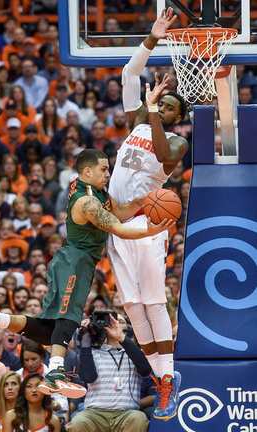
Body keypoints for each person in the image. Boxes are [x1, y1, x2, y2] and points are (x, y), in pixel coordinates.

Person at [0, 149, 174, 399]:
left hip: (69, 261)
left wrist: (141, 203)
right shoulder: (87, 202)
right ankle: (55, 373)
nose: (108, 173)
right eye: (104, 169)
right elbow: (117, 228)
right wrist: (151, 230)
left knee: (47, 330)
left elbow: (118, 211)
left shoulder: (96, 192)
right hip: (76, 261)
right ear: (87, 171)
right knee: (70, 318)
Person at [107, 7, 188, 421]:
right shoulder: (137, 122)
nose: (162, 103)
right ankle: (160, 383)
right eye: (161, 100)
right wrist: (153, 38)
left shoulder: (175, 144)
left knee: (155, 302)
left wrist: (154, 111)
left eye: (171, 105)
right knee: (133, 306)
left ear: (179, 118)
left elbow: (159, 153)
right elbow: (128, 75)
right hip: (115, 223)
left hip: (148, 223)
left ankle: (169, 380)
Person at [66, 313, 150, 432]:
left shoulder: (136, 352)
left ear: (128, 328)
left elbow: (146, 370)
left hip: (126, 414)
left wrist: (121, 338)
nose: (115, 324)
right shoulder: (92, 352)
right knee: (78, 421)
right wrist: (85, 339)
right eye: (111, 321)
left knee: (139, 418)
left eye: (120, 322)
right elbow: (88, 377)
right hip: (95, 414)